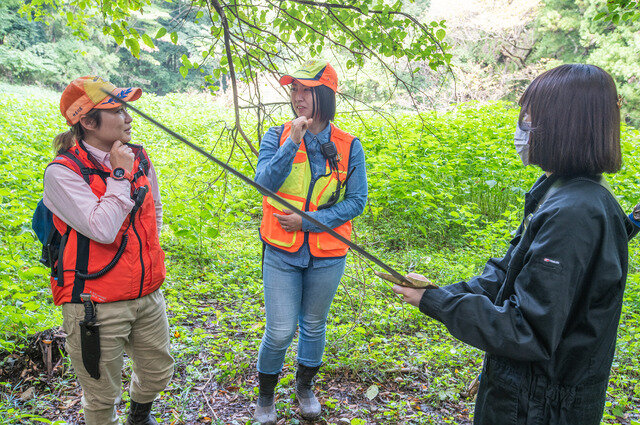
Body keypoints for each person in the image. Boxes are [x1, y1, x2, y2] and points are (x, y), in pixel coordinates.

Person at [393, 64, 637, 425]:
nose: (523, 127)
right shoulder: (559, 190)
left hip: (539, 407)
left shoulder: (576, 212)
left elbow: (528, 330)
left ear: (562, 124)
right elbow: (510, 270)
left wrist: (440, 304)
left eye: (531, 117)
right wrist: (439, 292)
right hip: (524, 395)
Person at [42, 76, 173, 425]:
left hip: (147, 293)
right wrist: (118, 173)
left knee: (158, 373)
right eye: (117, 109)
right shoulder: (62, 173)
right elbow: (101, 229)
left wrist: (149, 257)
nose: (128, 117)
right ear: (87, 121)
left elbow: (154, 210)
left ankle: (138, 416)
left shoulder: (140, 158)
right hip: (93, 305)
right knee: (101, 396)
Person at [253, 60, 368, 424]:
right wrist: (293, 142)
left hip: (328, 254)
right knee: (281, 330)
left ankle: (304, 388)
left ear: (324, 95)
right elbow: (264, 183)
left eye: (306, 90)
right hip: (281, 252)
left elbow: (356, 201)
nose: (297, 97)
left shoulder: (349, 145)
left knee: (314, 324)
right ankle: (266, 398)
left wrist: (309, 222)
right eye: (294, 90)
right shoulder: (276, 135)